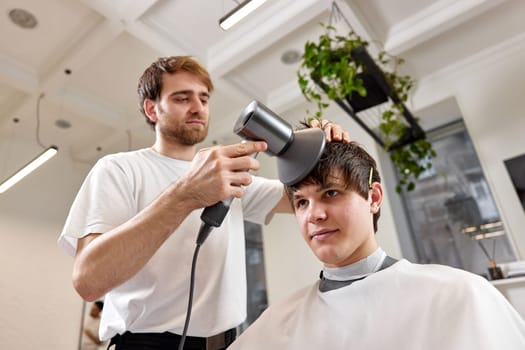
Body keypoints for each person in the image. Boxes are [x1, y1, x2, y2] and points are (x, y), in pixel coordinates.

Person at [57, 56, 349, 350]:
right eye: (182, 98)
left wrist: (329, 152)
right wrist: (186, 195)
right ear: (151, 108)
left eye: (204, 98)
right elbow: (88, 281)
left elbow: (312, 194)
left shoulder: (228, 177)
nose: (198, 107)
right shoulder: (119, 170)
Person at [229, 132, 525, 349]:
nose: (314, 215)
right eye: (301, 203)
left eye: (330, 193)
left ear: (374, 197)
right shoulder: (279, 322)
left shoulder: (458, 295)